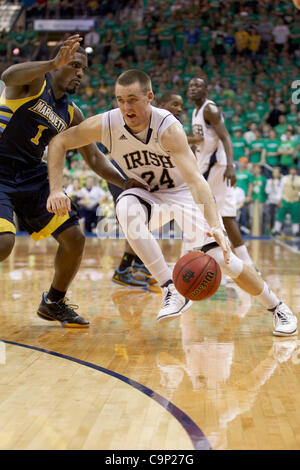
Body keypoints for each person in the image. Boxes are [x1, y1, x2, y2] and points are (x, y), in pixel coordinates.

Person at [46, 69, 297, 337]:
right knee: (125, 208)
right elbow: (60, 141)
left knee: (224, 260)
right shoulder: (107, 123)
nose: (125, 107)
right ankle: (170, 287)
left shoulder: (168, 128)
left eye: (132, 99)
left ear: (149, 97)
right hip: (149, 195)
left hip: (181, 194)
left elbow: (197, 182)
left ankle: (278, 307)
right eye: (120, 100)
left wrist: (216, 227)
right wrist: (55, 189)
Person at [0, 35, 142, 328]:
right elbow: (7, 75)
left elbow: (93, 157)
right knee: (4, 243)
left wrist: (124, 181)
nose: (80, 72)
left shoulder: (72, 112)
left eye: (83, 69)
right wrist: (52, 63)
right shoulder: (32, 84)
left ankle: (54, 302)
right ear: (57, 64)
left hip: (29, 173)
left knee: (74, 237)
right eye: (75, 65)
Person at [108, 91, 184, 288]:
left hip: (139, 174)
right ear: (162, 105)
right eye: (174, 104)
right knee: (137, 221)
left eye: (180, 106)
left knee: (148, 220)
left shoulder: (169, 127)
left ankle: (140, 265)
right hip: (124, 174)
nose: (179, 109)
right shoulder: (150, 121)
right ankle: (124, 269)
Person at [187, 77, 259, 272]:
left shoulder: (210, 109)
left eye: (198, 86)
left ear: (206, 90)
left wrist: (230, 166)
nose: (194, 88)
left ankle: (203, 258)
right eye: (191, 86)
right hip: (210, 165)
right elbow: (203, 140)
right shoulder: (195, 111)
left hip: (216, 166)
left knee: (202, 210)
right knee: (226, 215)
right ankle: (248, 265)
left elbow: (226, 137)